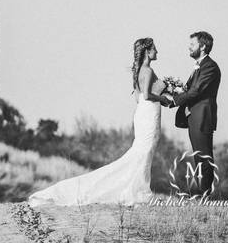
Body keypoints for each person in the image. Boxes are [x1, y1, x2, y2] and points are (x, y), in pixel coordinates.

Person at [28, 38, 171, 206]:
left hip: (143, 112)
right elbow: (146, 96)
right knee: (143, 152)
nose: (157, 51)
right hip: (148, 113)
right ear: (147, 51)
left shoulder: (139, 70)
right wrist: (163, 98)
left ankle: (136, 189)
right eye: (154, 49)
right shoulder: (147, 70)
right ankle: (137, 192)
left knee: (142, 152)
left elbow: (137, 98)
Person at [167, 31, 220, 195]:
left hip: (202, 117)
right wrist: (173, 92)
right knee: (198, 157)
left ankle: (205, 195)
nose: (189, 47)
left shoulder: (210, 67)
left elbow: (196, 91)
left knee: (204, 157)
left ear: (203, 46)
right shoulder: (199, 66)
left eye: (192, 44)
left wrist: (175, 101)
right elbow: (190, 90)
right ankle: (201, 193)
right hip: (193, 117)